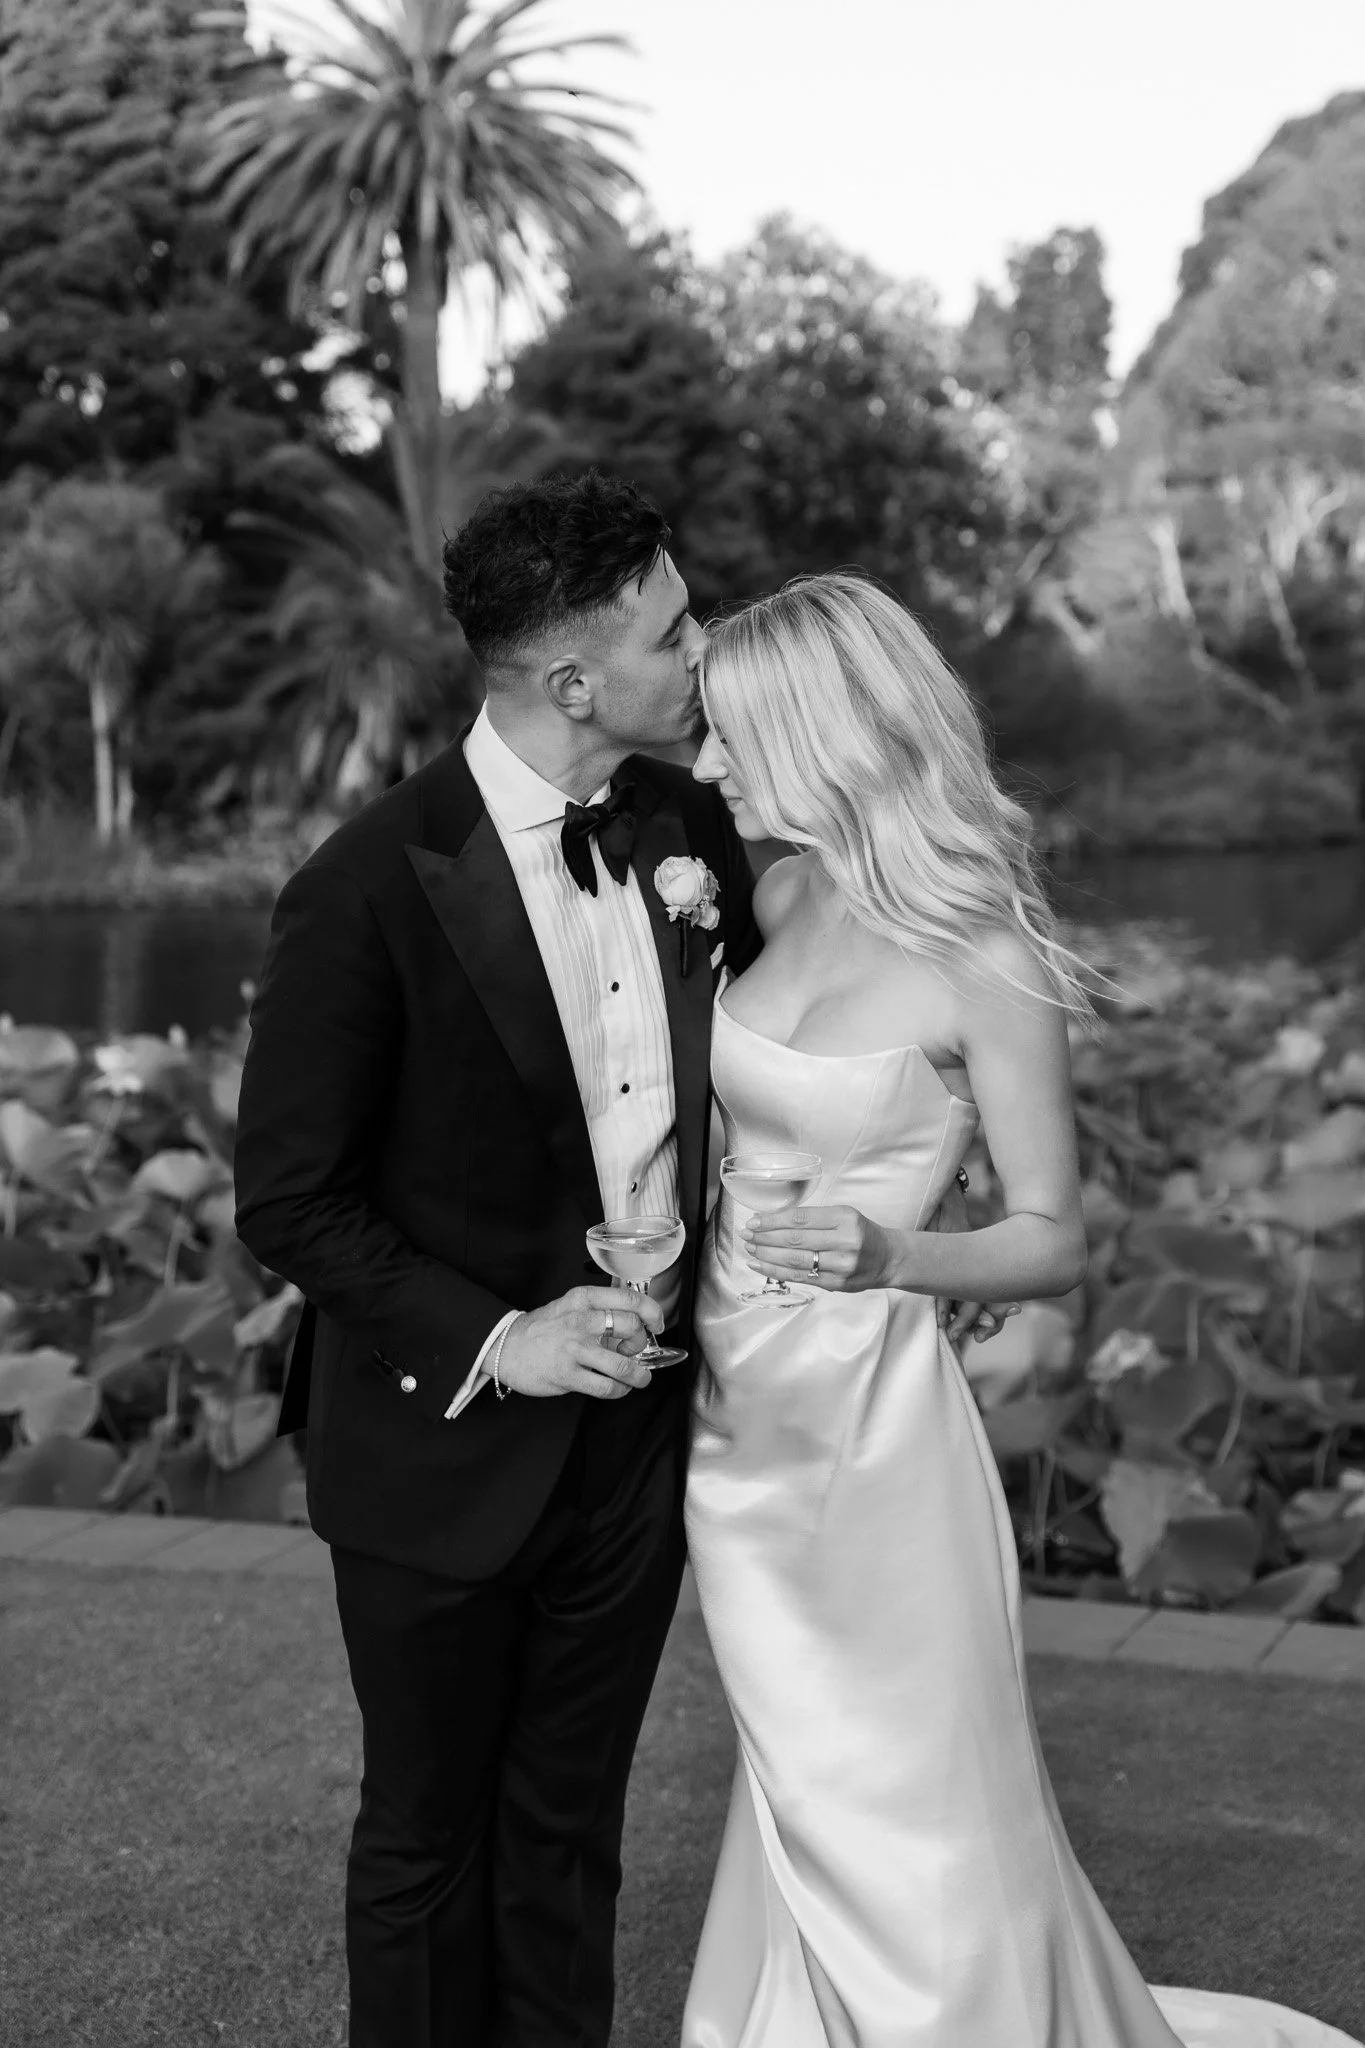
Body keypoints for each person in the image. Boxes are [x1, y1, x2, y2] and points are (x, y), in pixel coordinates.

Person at [234, 471, 1008, 2048]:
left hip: (647, 1436)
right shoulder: (363, 889)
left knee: (567, 1834)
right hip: (439, 1447)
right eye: (673, 630)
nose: (703, 648)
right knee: (427, 1839)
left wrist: (941, 1178)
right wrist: (495, 1337)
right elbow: (289, 1203)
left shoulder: (693, 827)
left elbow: (864, 996)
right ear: (575, 679)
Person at [681, 571, 1360, 2048]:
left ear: (817, 736)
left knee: (908, 1790)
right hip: (731, 1424)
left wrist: (895, 1257)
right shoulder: (774, 891)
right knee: (796, 1770)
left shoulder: (982, 946)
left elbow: (1053, 1238)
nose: (709, 765)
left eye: (732, 738)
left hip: (874, 1436)